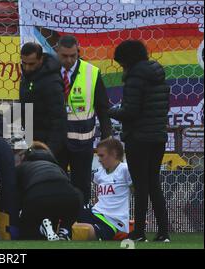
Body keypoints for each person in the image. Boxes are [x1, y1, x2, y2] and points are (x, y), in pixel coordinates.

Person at [109, 40, 171, 242]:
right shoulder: (157, 74)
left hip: (138, 138)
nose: (121, 67)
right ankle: (163, 233)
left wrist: (108, 111)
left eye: (121, 63)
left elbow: (130, 112)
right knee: (154, 184)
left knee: (141, 186)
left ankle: (140, 233)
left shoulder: (135, 77)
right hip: (158, 137)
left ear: (128, 60)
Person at [55, 35, 112, 207]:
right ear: (57, 52)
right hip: (55, 141)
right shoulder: (47, 71)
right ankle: (57, 222)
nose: (69, 60)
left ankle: (81, 221)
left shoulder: (92, 72)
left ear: (78, 52)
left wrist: (107, 136)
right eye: (64, 56)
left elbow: (103, 108)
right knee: (56, 182)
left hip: (82, 140)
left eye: (73, 55)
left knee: (82, 184)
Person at [15, 141, 83, 241]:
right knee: (74, 196)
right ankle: (64, 230)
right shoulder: (57, 167)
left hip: (37, 197)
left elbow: (12, 194)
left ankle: (41, 228)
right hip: (70, 198)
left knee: (28, 234)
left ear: (23, 157)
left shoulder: (22, 167)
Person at [75, 138, 132, 241]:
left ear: (114, 154)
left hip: (112, 221)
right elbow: (99, 196)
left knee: (86, 231)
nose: (99, 159)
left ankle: (60, 231)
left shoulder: (125, 169)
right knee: (70, 210)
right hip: (95, 213)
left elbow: (138, 192)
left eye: (101, 155)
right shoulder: (99, 173)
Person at [19, 42, 66, 159]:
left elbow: (59, 120)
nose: (27, 67)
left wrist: (50, 152)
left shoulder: (52, 82)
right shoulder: (27, 77)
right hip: (31, 142)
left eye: (31, 64)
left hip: (46, 147)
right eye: (24, 63)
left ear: (41, 59)